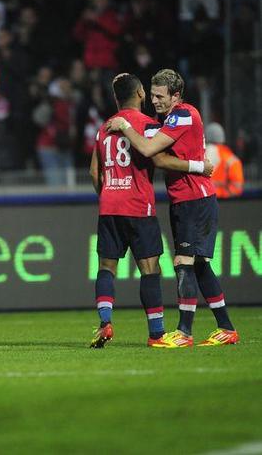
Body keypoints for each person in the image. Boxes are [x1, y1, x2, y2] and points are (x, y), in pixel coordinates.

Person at [107, 69, 239, 347]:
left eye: (160, 96)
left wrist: (124, 126)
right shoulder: (168, 119)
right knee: (200, 265)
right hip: (183, 199)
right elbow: (161, 160)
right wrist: (196, 165)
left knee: (184, 262)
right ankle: (226, 328)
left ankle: (184, 333)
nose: (154, 101)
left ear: (176, 96)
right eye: (152, 95)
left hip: (195, 199)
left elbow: (148, 150)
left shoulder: (184, 114)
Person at [89, 74, 213, 348]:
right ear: (142, 94)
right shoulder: (148, 126)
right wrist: (197, 165)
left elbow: (93, 171)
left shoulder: (104, 128)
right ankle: (156, 334)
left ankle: (105, 323)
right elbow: (157, 156)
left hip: (109, 206)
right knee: (150, 270)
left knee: (106, 268)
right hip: (139, 206)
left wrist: (109, 194)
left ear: (115, 98)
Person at [204, 122, 244, 199]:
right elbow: (237, 188)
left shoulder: (200, 155)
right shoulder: (232, 159)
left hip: (205, 200)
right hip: (226, 202)